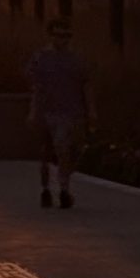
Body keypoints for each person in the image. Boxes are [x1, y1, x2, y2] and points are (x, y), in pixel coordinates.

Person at [26, 17, 95, 209]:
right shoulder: (41, 58)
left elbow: (86, 85)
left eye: (66, 36)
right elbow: (36, 87)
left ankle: (64, 187)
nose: (63, 40)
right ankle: (46, 188)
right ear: (51, 36)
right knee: (46, 153)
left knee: (66, 150)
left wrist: (91, 110)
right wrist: (33, 112)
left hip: (71, 112)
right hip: (47, 112)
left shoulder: (77, 59)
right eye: (58, 35)